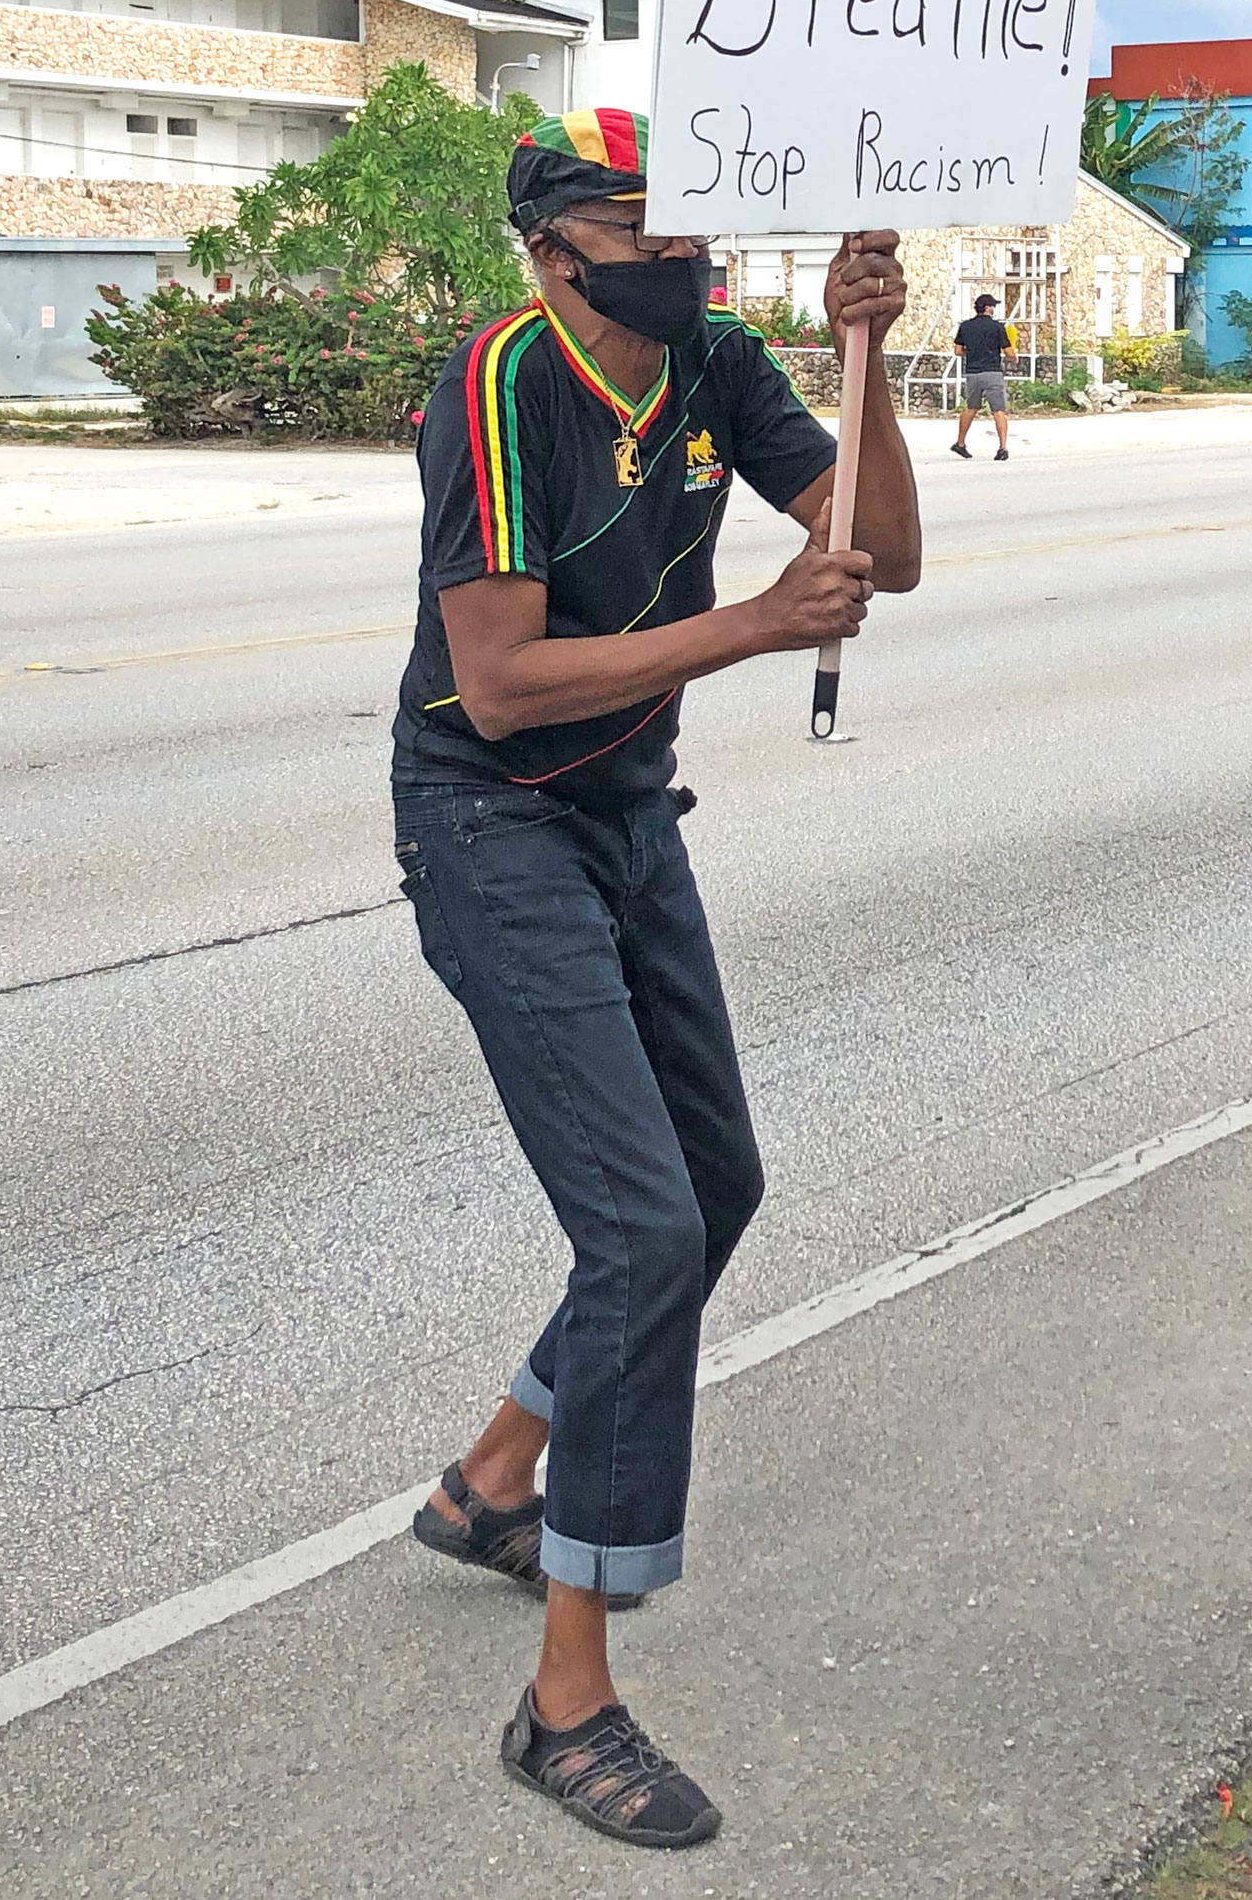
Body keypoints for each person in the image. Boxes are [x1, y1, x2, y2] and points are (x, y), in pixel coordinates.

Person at [391, 109, 921, 1849]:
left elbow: (882, 547)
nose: (675, 251)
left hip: (625, 804)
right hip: (493, 814)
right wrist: (755, 623)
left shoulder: (717, 357)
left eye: (688, 220)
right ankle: (566, 1701)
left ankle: (492, 1481)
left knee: (717, 1184)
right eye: (636, 225)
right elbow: (499, 680)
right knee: (642, 1230)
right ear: (552, 250)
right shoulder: (500, 380)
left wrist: (866, 364)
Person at [953, 292, 1015, 460]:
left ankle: (960, 443)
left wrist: (972, 353)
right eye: (993, 306)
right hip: (992, 372)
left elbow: (958, 351)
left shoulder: (965, 326)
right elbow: (1008, 352)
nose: (994, 309)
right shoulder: (997, 327)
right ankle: (1002, 448)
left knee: (971, 407)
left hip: (972, 373)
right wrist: (1014, 359)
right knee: (998, 410)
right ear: (987, 308)